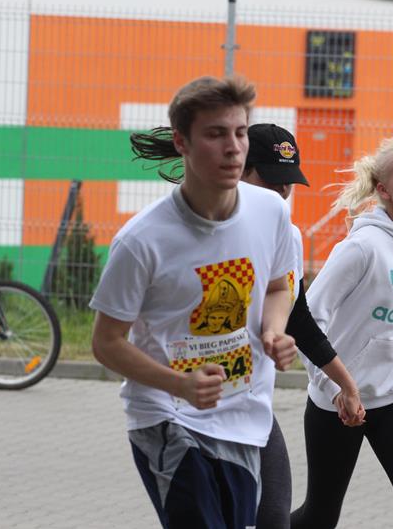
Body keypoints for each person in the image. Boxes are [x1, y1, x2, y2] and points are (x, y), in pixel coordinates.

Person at [89, 75, 299, 529]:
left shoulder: (270, 213)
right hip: (168, 416)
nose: (233, 148)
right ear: (182, 142)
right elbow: (106, 342)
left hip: (242, 414)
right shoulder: (142, 240)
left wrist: (274, 331)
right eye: (216, 134)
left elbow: (279, 287)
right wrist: (179, 384)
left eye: (240, 133)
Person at [290, 134, 393, 529]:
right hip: (339, 402)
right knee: (319, 517)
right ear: (383, 189)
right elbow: (306, 321)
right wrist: (334, 387)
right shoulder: (361, 247)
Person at [241, 123, 365, 528]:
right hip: (195, 409)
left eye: (288, 182)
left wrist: (345, 384)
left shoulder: (289, 237)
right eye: (271, 179)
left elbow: (299, 319)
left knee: (274, 517)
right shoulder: (205, 233)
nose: (281, 192)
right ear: (240, 170)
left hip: (253, 403)